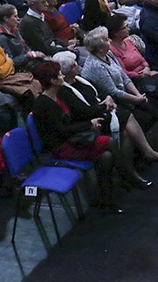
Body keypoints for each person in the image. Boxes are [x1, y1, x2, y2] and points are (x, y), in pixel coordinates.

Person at [31, 61, 120, 211]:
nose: (62, 75)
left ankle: (107, 198)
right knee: (109, 143)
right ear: (53, 81)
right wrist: (88, 125)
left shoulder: (58, 95)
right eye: (59, 74)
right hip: (60, 146)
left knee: (106, 157)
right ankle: (126, 178)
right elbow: (61, 130)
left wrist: (90, 122)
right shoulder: (43, 103)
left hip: (70, 139)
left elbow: (73, 119)